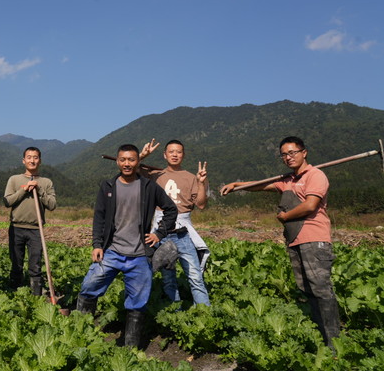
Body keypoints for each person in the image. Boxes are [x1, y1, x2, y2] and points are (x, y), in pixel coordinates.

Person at [221, 136, 340, 348]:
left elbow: (310, 205)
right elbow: (261, 185)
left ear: (304, 152)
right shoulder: (287, 180)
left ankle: (334, 343)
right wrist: (237, 185)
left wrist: (285, 216)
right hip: (295, 240)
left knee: (321, 290)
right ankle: (320, 338)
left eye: (292, 153)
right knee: (307, 289)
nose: (288, 157)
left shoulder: (315, 175)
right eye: (284, 155)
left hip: (314, 240)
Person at [76, 144, 177, 348]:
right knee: (89, 287)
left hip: (139, 254)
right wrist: (97, 244)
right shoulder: (108, 186)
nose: (127, 163)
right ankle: (79, 336)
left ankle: (130, 350)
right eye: (123, 160)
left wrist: (158, 234)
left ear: (138, 161)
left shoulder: (148, 187)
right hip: (111, 251)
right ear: (117, 161)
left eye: (131, 160)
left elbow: (171, 209)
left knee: (138, 303)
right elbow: (99, 217)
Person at [140, 139, 210, 306]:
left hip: (183, 232)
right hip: (160, 232)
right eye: (171, 151)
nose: (175, 154)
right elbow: (131, 170)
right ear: (165, 155)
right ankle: (174, 311)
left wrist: (201, 183)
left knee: (195, 276)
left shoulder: (191, 177)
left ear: (183, 155)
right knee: (168, 277)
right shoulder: (154, 175)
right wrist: (143, 155)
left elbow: (201, 204)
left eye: (178, 152)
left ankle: (204, 312)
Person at [3, 147, 57, 295]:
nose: (32, 160)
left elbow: (52, 205)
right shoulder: (14, 179)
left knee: (35, 265)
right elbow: (7, 201)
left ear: (40, 161)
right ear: (23, 160)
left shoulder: (46, 182)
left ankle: (36, 296)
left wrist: (39, 190)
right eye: (29, 157)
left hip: (36, 229)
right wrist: (24, 190)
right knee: (16, 264)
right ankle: (15, 295)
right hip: (16, 227)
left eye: (35, 157)